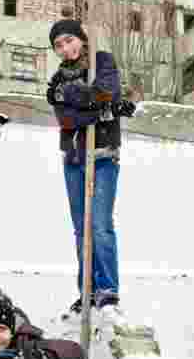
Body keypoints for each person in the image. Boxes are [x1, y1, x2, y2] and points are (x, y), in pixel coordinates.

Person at [45, 18, 134, 317]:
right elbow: (67, 120)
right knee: (81, 229)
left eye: (69, 41)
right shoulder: (58, 77)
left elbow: (105, 94)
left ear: (81, 38)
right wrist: (97, 111)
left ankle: (107, 290)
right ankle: (87, 290)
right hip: (73, 158)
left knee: (100, 225)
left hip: (104, 155)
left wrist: (78, 98)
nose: (66, 49)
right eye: (59, 45)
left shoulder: (102, 62)